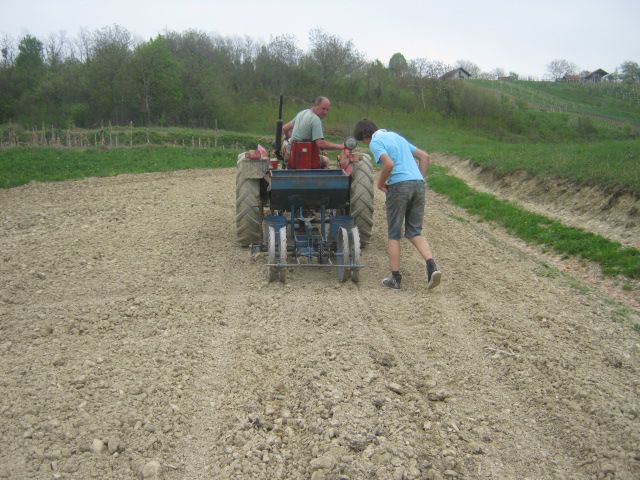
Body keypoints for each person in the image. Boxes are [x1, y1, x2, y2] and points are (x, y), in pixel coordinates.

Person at [353, 119, 441, 290]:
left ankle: (396, 279)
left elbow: (389, 164)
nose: (365, 143)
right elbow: (424, 157)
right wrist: (420, 180)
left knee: (394, 233)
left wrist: (380, 183)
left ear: (365, 136)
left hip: (399, 187)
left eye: (363, 140)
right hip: (417, 185)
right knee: (414, 231)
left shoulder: (376, 142)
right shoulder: (396, 137)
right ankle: (432, 266)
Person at [282, 96, 345, 168]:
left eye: (327, 110)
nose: (325, 112)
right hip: (304, 159)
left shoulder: (303, 113)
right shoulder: (315, 119)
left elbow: (285, 128)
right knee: (326, 160)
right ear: (315, 105)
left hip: (290, 157)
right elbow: (320, 144)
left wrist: (289, 138)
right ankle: (321, 179)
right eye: (323, 109)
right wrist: (340, 146)